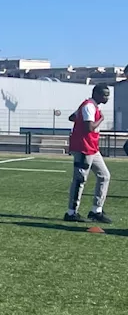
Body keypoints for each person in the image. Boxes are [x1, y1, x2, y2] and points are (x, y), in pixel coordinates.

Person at [64, 83, 113, 224]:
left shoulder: (90, 106)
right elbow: (89, 127)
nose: (107, 97)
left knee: (104, 175)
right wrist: (101, 119)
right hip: (83, 147)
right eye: (104, 94)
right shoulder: (89, 106)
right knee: (80, 179)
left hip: (92, 148)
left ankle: (96, 210)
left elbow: (72, 117)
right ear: (96, 94)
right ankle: (71, 212)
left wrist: (79, 117)